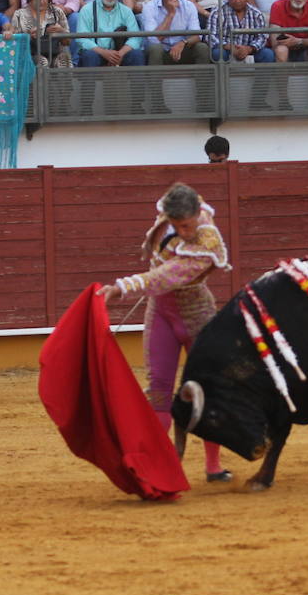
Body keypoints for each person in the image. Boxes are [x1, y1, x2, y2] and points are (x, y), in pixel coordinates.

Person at [96, 182, 233, 483]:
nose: (183, 231)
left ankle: (213, 465)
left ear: (198, 215)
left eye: (186, 225)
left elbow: (166, 275)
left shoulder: (207, 241)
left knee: (209, 390)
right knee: (158, 388)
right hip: (160, 312)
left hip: (197, 314)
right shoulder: (168, 216)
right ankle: (155, 466)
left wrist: (122, 288)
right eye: (176, 225)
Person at [142, 0, 210, 65]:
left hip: (182, 49)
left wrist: (183, 43)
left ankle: (203, 80)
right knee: (155, 48)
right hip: (161, 51)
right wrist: (170, 14)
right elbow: (154, 40)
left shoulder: (189, 6)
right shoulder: (149, 7)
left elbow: (197, 35)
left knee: (202, 48)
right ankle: (154, 80)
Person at [77, 0, 144, 66]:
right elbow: (81, 39)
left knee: (137, 54)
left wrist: (120, 54)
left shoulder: (126, 11)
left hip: (119, 53)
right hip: (97, 53)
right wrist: (104, 53)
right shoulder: (87, 9)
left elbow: (135, 38)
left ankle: (141, 81)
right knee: (89, 55)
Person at [205, 0, 273, 62]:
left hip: (250, 50)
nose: (238, 0)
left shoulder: (256, 14)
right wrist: (230, 47)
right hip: (226, 50)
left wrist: (249, 49)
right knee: (218, 53)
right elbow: (210, 37)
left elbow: (262, 37)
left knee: (268, 54)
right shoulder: (217, 12)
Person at [12, 0, 71, 66]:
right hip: (29, 54)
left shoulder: (57, 12)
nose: (42, 2)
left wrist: (61, 32)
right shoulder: (19, 14)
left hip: (55, 52)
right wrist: (28, 36)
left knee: (64, 61)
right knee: (42, 62)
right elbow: (15, 44)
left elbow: (67, 42)